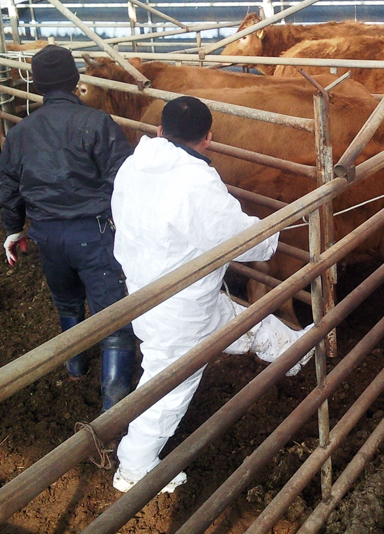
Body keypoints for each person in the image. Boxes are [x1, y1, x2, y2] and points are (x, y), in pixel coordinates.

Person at [110, 96, 312, 494]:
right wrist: (272, 234)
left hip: (148, 290)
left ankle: (295, 353)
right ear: (209, 139)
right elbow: (239, 239)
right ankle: (133, 468)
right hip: (180, 309)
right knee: (169, 388)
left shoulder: (134, 164)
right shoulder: (195, 181)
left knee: (244, 322)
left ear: (160, 130)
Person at [0, 44, 137, 413]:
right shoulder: (98, 123)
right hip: (94, 234)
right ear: (76, 81)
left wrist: (13, 230)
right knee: (114, 318)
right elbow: (126, 180)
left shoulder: (20, 133)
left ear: (37, 84)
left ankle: (75, 368)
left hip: (46, 234)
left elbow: (9, 188)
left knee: (67, 302)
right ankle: (113, 406)